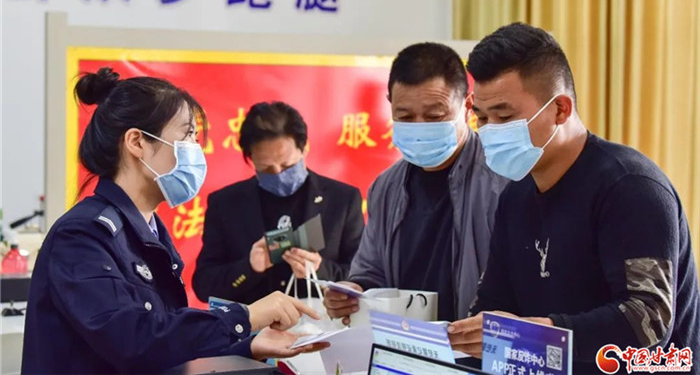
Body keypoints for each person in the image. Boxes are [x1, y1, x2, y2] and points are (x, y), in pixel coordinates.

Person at [22, 68, 326, 374]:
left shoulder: (148, 230)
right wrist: (244, 318)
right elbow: (131, 339)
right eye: (187, 136)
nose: (196, 149)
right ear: (137, 142)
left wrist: (247, 344)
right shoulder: (83, 234)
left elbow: (165, 339)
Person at [449, 23, 700, 372]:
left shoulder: (631, 187)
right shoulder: (515, 197)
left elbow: (648, 319)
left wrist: (536, 335)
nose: (490, 132)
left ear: (560, 110)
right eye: (482, 118)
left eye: (504, 117)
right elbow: (492, 304)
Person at [323, 43, 509, 323]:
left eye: (434, 116)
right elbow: (371, 269)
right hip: (406, 342)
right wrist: (354, 291)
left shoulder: (502, 178)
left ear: (467, 107)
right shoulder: (386, 187)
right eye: (405, 117)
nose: (420, 127)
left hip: (475, 342)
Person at [193, 101, 364, 304]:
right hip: (252, 323)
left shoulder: (342, 200)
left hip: (320, 321)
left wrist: (320, 270)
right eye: (266, 168)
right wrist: (249, 268)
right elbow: (204, 286)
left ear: (304, 148)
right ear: (250, 158)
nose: (278, 173)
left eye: (287, 165)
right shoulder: (226, 204)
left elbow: (362, 276)